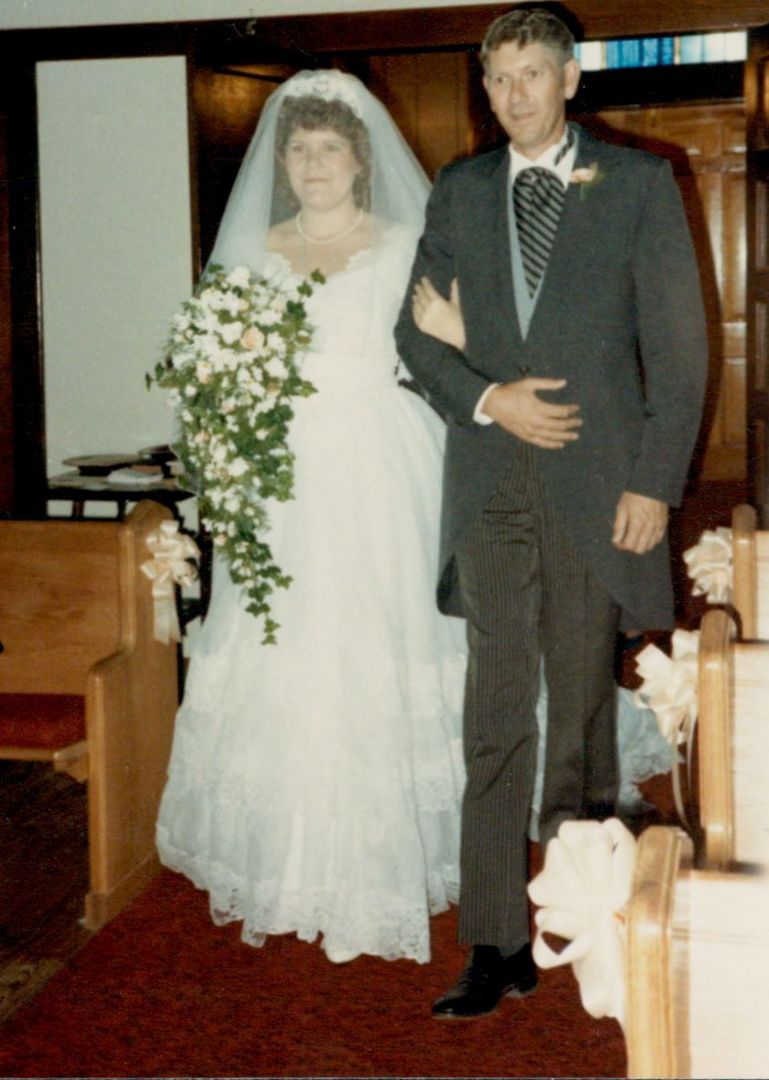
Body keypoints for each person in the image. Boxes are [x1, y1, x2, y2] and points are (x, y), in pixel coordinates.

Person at [394, 7, 707, 1018]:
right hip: (490, 485)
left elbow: (680, 351)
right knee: (491, 714)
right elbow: (417, 336)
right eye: (498, 78)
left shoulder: (637, 183)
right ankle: (495, 943)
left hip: (593, 485)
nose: (515, 94)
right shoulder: (460, 188)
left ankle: (580, 917)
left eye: (533, 73)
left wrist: (653, 483)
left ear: (570, 79)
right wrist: (492, 398)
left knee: (576, 713)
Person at [156, 69, 467, 965]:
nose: (314, 163)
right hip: (279, 476)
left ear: (360, 159)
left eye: (330, 148)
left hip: (378, 465)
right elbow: (212, 372)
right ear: (281, 162)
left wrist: (458, 333)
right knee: (282, 644)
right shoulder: (254, 251)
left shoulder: (405, 242)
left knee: (374, 642)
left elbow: (454, 347)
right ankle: (285, 861)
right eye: (299, 148)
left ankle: (381, 865)